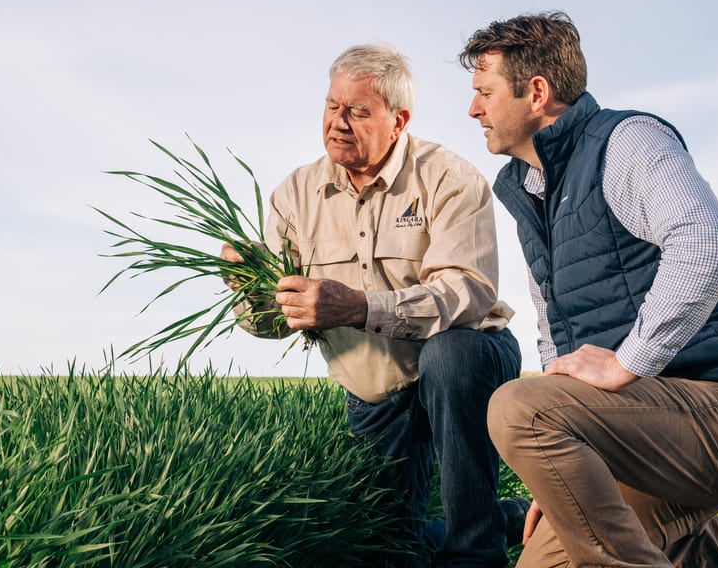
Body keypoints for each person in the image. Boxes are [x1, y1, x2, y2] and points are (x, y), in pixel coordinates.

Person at [457, 11, 718, 568]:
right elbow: (555, 336)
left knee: (516, 405)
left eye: (485, 92)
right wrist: (554, 475)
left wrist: (628, 362)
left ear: (536, 92)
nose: (474, 109)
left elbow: (705, 244)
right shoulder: (528, 191)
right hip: (640, 429)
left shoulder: (626, 142)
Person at [222, 44, 526, 567]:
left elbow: (466, 294)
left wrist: (360, 308)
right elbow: (274, 321)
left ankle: (475, 552)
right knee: (386, 553)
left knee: (449, 355)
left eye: (358, 111)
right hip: (376, 390)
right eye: (332, 106)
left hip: (467, 364)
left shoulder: (449, 178)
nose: (338, 123)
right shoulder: (295, 195)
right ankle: (505, 518)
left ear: (398, 120)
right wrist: (250, 287)